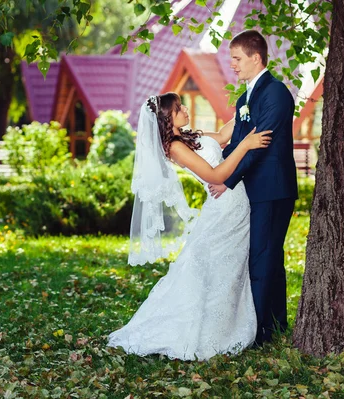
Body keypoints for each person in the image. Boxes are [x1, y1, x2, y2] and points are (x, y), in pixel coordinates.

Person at [107, 92, 272, 360]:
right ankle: (206, 333)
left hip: (235, 207)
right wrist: (247, 145)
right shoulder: (175, 147)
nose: (185, 109)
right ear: (167, 117)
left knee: (224, 270)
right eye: (178, 107)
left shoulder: (188, 137)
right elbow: (216, 175)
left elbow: (220, 136)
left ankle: (222, 326)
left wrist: (245, 106)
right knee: (211, 269)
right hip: (224, 209)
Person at [209, 30, 298, 345]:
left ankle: (258, 333)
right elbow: (237, 142)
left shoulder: (275, 93)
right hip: (258, 189)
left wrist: (226, 180)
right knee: (269, 257)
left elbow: (259, 145)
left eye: (236, 58)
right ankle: (273, 326)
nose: (232, 64)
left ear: (255, 58)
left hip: (273, 189)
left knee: (262, 258)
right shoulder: (245, 97)